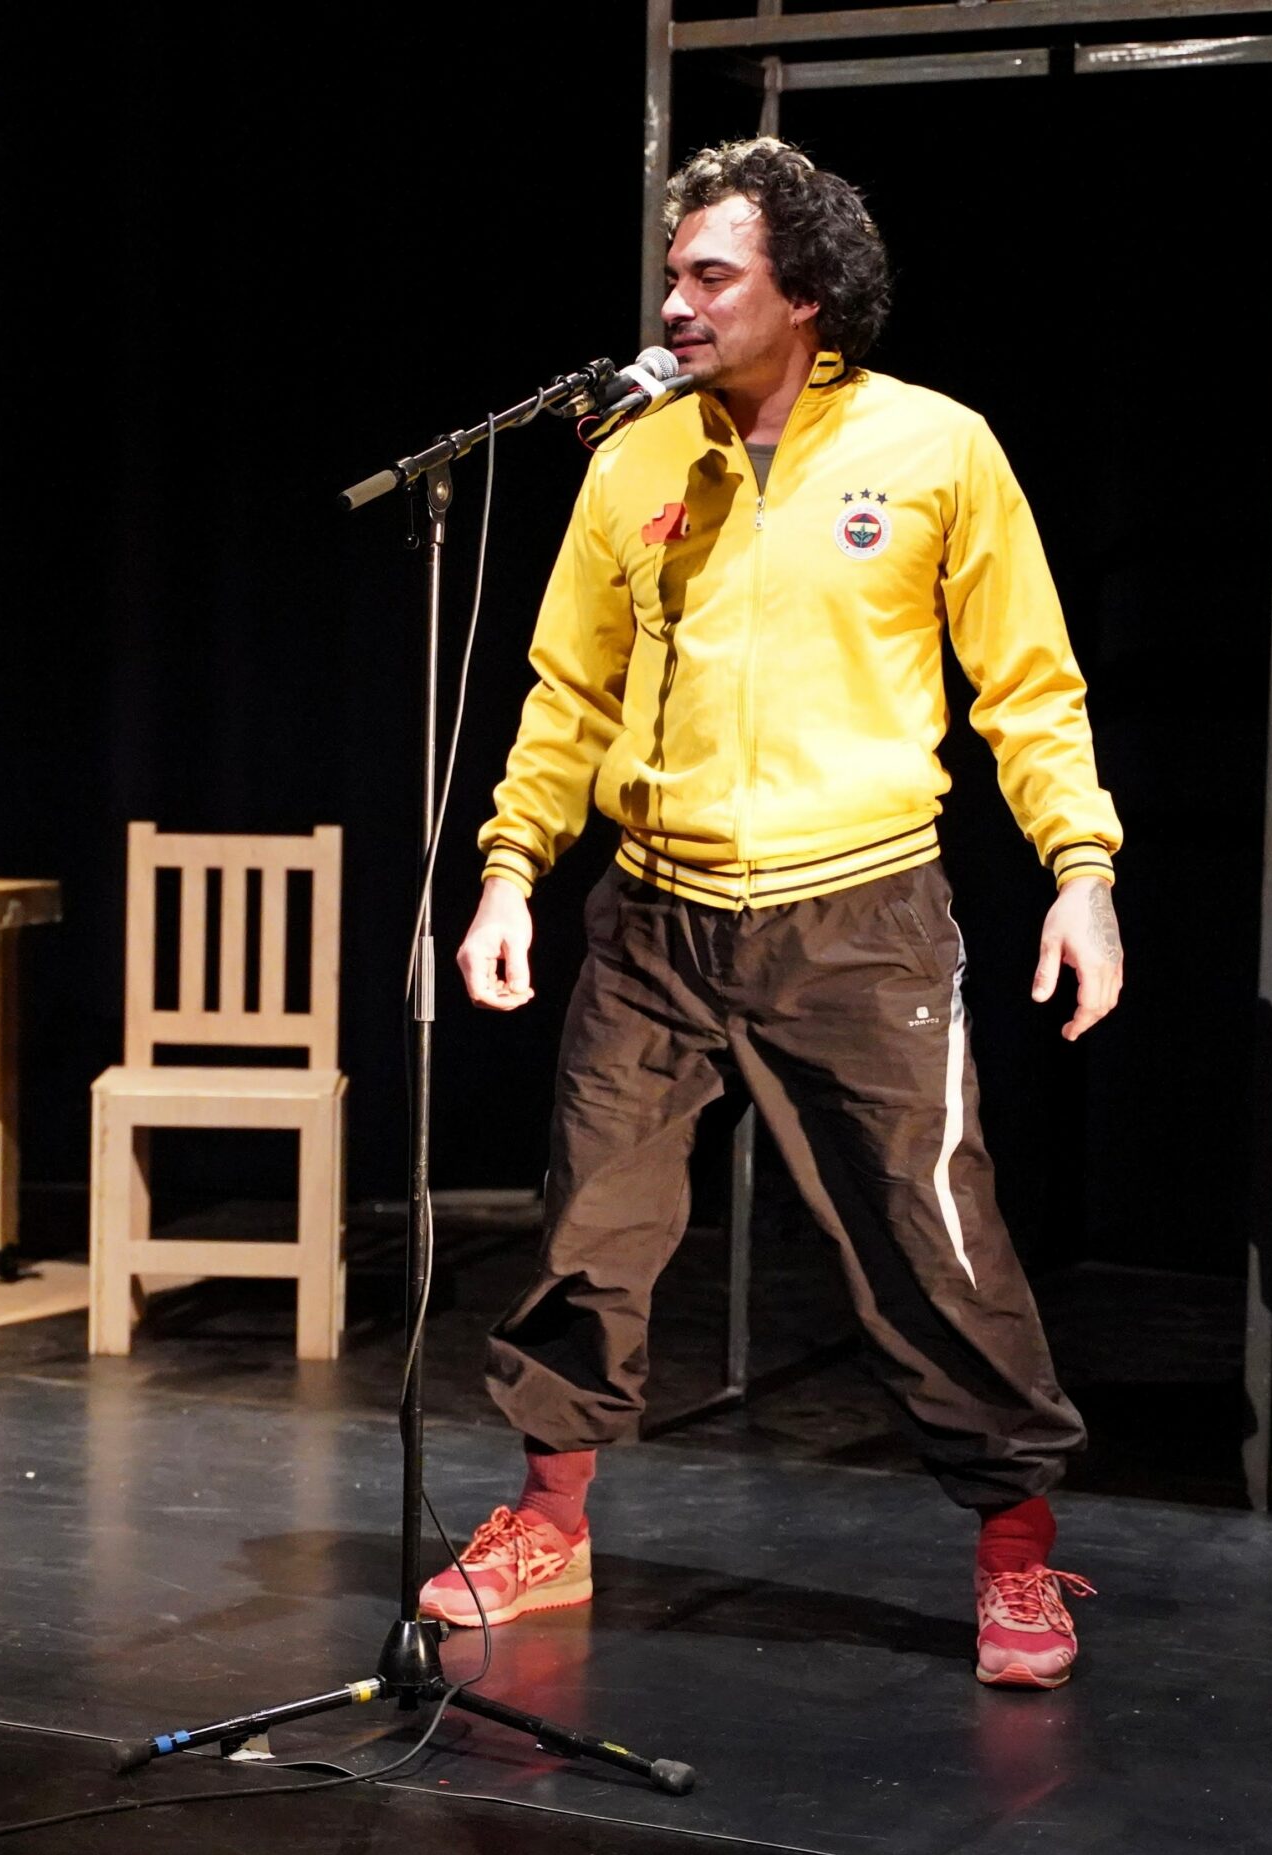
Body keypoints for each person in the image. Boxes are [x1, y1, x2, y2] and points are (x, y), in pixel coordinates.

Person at [424, 137, 1123, 1690]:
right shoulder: (634, 461)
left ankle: (1016, 1549)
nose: (676, 304)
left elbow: (1029, 685)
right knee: (589, 1228)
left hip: (858, 917)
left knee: (933, 1239)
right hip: (656, 916)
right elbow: (567, 690)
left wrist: (1081, 872)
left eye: (710, 275)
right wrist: (510, 870)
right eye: (671, 276)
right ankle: (551, 1520)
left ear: (804, 291)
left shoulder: (937, 449)